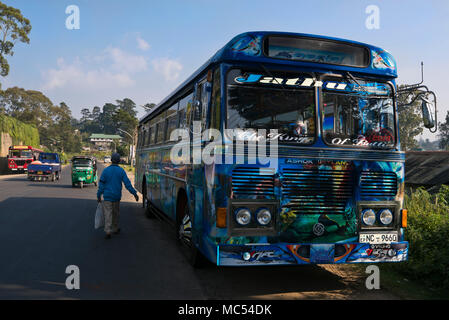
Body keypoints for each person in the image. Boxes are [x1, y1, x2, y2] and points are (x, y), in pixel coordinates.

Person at [97, 153, 139, 239]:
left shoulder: (106, 171)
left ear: (111, 160)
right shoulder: (121, 171)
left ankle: (108, 230)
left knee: (108, 213)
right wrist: (134, 193)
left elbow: (101, 185)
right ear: (119, 161)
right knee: (115, 213)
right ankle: (115, 228)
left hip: (107, 196)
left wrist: (98, 195)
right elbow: (127, 184)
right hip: (116, 196)